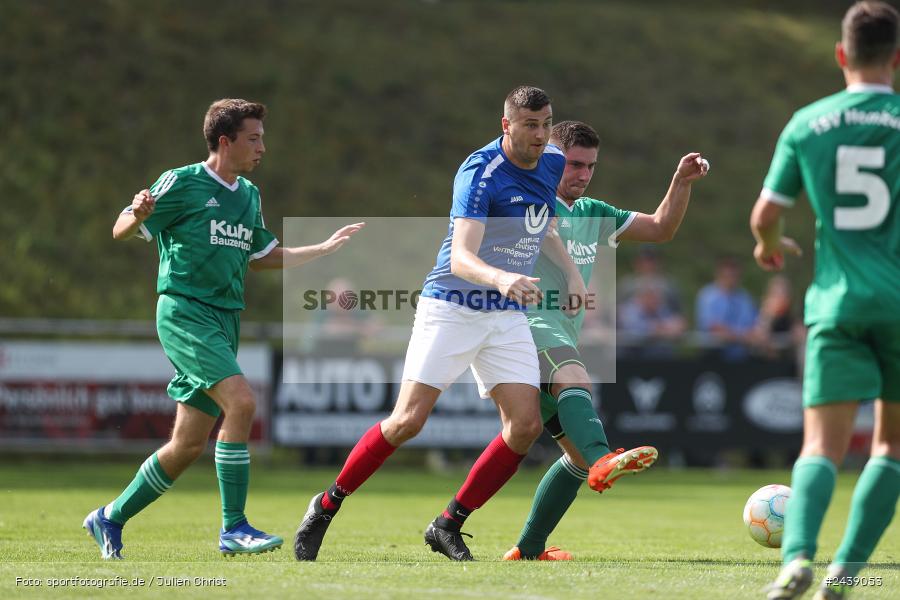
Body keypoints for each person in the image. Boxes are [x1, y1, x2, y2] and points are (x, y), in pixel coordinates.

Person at [294, 85, 578, 562]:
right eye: (530, 125)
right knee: (408, 421)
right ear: (505, 125)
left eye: (546, 123)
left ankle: (448, 523)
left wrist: (569, 271)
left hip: (505, 313)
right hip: (453, 304)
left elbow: (541, 224)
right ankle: (326, 505)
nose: (540, 133)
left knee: (525, 426)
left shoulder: (551, 161)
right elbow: (463, 257)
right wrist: (503, 276)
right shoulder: (479, 174)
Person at [82, 99, 364, 559]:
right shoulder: (183, 182)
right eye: (254, 138)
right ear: (225, 141)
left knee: (187, 445)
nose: (262, 148)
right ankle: (234, 527)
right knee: (243, 402)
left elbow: (263, 256)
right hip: (185, 311)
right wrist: (136, 213)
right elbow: (120, 229)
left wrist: (323, 250)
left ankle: (109, 517)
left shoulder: (249, 195)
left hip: (225, 318)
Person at [503, 120, 708, 561]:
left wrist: (680, 183)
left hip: (556, 332)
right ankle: (603, 458)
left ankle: (527, 547)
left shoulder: (594, 212)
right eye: (574, 164)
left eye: (590, 166)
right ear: (551, 159)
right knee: (576, 379)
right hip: (524, 326)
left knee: (568, 455)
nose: (582, 174)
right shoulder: (530, 199)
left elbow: (660, 228)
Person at [749, 4, 900, 598]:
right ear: (896, 58)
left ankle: (798, 559)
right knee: (889, 446)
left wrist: (768, 245)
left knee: (820, 446)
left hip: (835, 303)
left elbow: (765, 214)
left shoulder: (808, 122)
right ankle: (848, 571)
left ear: (840, 55)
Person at [695, 255, 758, 361]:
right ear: (719, 274)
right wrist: (740, 336)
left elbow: (753, 324)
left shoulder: (745, 298)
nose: (731, 277)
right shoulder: (707, 295)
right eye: (727, 274)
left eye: (734, 274)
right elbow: (712, 326)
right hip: (713, 356)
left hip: (741, 356)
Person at [617, 279, 687, 358]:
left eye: (657, 297)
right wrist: (660, 329)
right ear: (641, 297)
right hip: (631, 355)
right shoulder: (629, 309)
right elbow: (635, 329)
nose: (655, 300)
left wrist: (660, 329)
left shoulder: (660, 307)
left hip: (657, 355)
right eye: (650, 297)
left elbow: (679, 324)